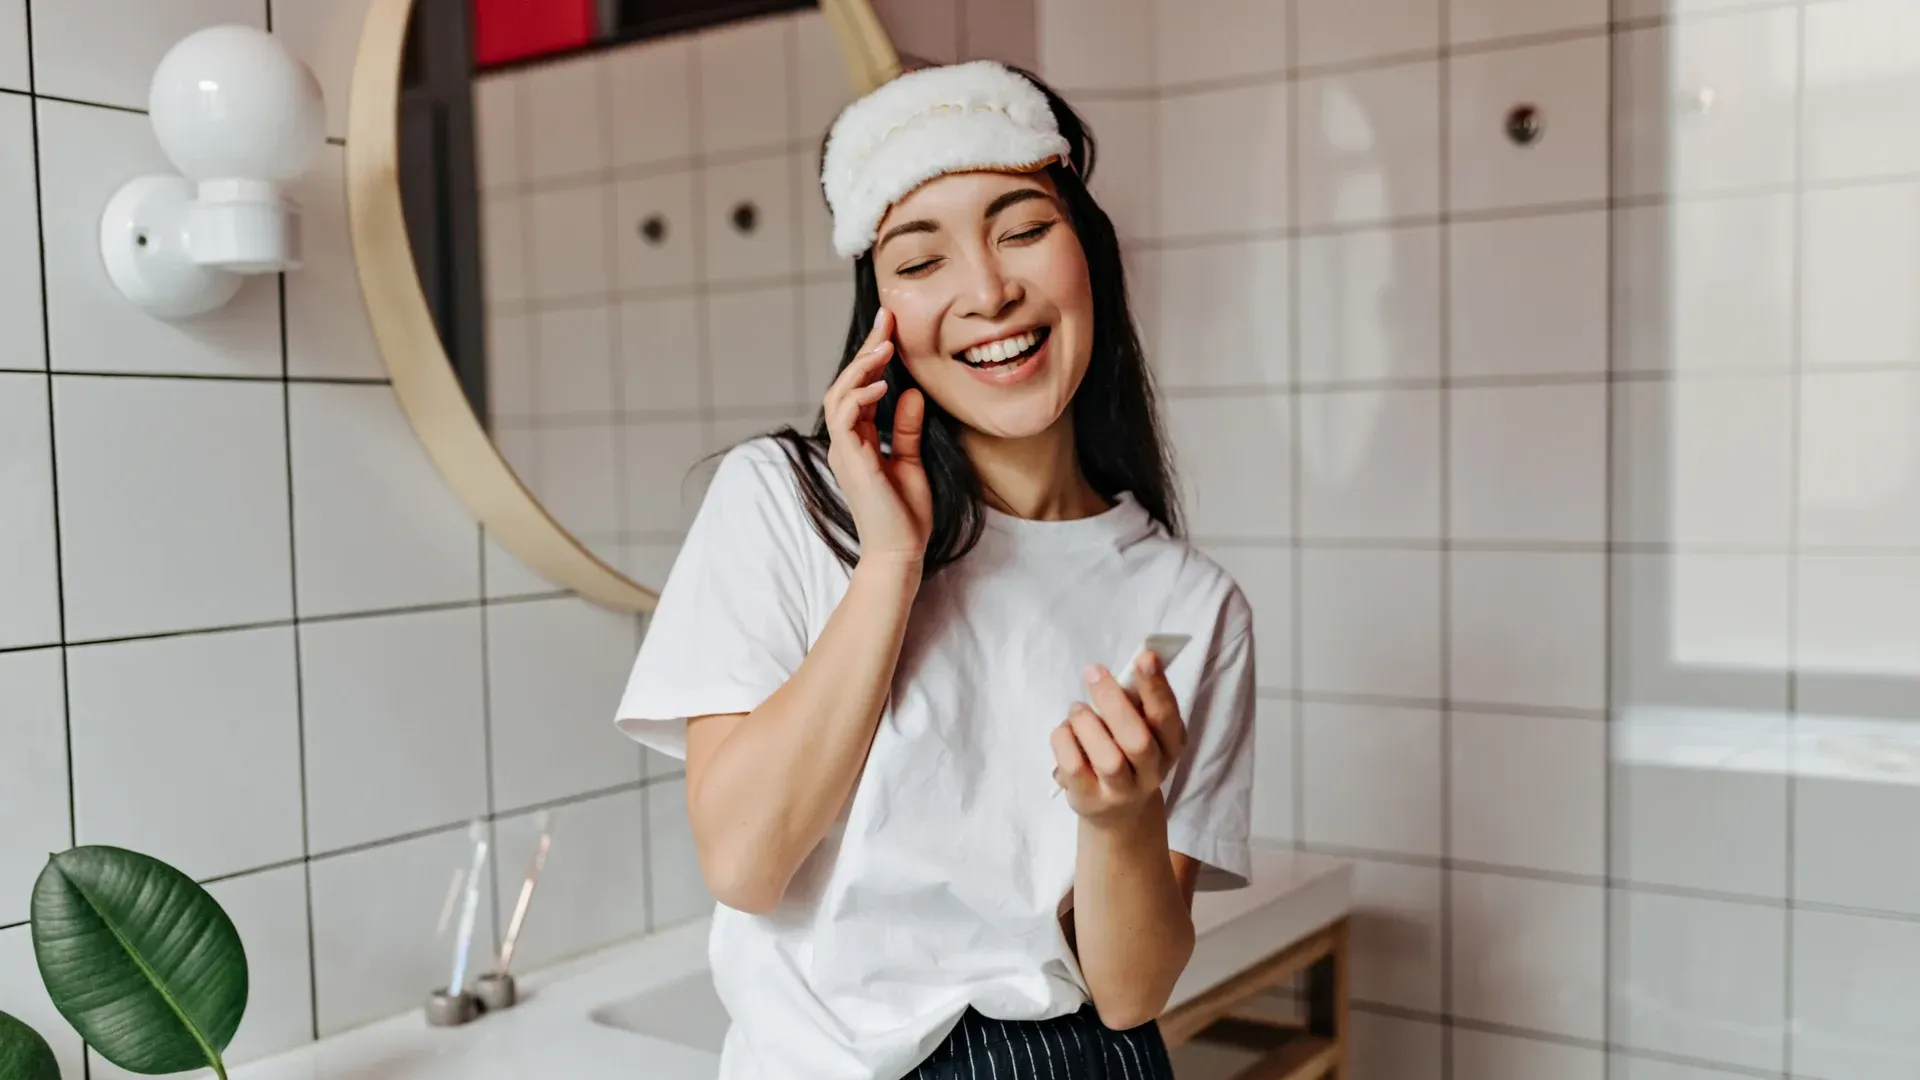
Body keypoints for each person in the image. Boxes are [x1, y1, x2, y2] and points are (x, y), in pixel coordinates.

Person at [615, 58, 1256, 1080]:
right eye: (921, 261)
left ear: (1088, 253)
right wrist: (892, 559)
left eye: (1022, 230)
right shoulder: (783, 504)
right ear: (882, 316)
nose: (989, 291)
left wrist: (1123, 815)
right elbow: (745, 862)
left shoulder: (1188, 602)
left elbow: (1130, 991)